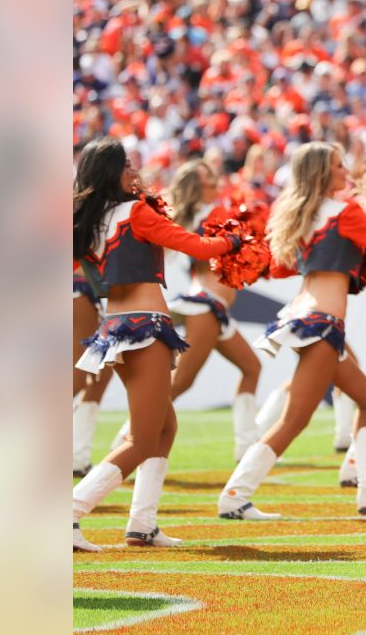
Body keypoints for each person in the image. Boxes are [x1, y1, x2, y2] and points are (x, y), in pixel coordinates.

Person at [217, 142, 366, 520]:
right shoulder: (344, 212)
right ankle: (235, 495)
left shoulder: (301, 214)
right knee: (294, 420)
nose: (345, 170)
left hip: (305, 317)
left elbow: (282, 269)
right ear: (323, 172)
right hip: (322, 322)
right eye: (339, 164)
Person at [73, 138, 241, 551]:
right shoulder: (135, 213)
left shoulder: (91, 220)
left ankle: (142, 524)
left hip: (115, 328)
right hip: (145, 328)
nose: (135, 172)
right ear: (111, 173)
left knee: (165, 427)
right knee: (143, 439)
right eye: (127, 166)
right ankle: (71, 510)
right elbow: (197, 245)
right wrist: (236, 242)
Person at [157, 161, 262, 462]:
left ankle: (246, 446)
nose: (216, 183)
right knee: (179, 383)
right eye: (209, 180)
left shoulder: (202, 216)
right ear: (196, 187)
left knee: (251, 368)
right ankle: (128, 438)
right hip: (206, 306)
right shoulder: (213, 217)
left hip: (214, 309)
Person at [72, 262, 113, 477]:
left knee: (101, 373)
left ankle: (77, 457)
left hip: (82, 288)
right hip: (79, 287)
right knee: (77, 377)